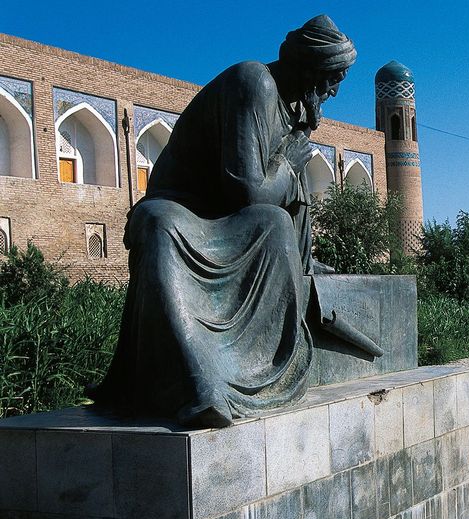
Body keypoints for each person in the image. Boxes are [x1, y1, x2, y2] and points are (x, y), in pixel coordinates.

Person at [87, 15, 356, 428]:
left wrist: (302, 264)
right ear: (309, 66)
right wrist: (286, 165)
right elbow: (247, 191)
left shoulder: (295, 111)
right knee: (159, 225)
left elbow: (288, 205)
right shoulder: (255, 82)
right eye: (332, 77)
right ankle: (198, 387)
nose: (334, 89)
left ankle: (257, 373)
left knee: (274, 223)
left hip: (231, 220)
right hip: (183, 208)